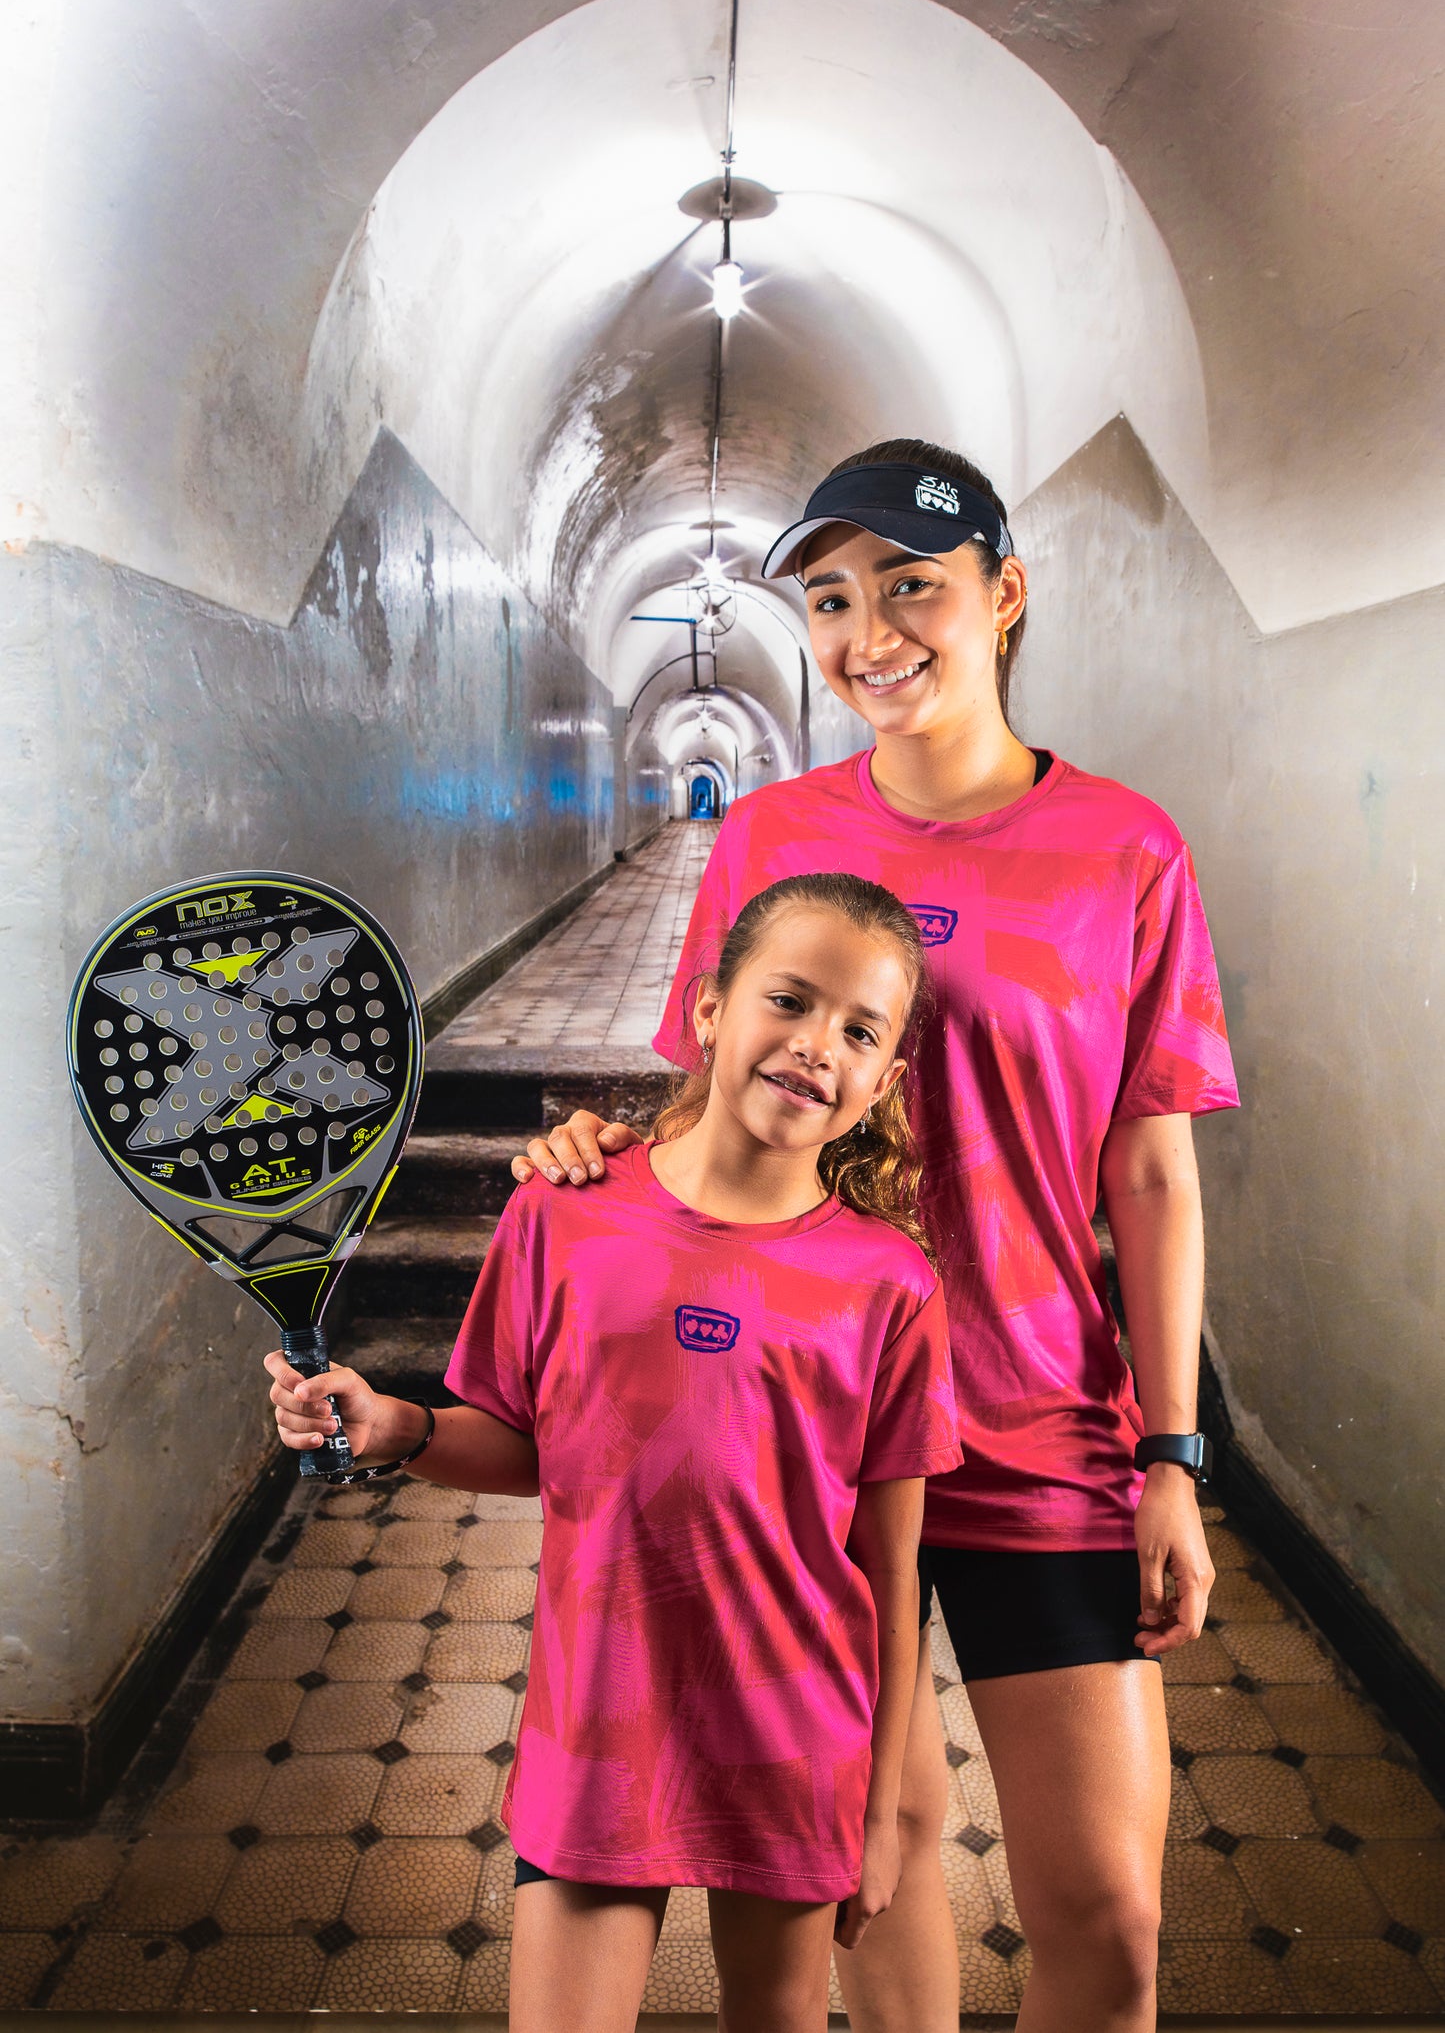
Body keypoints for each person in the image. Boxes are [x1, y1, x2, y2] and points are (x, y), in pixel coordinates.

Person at [514, 440, 1240, 2033]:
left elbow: (1154, 1170)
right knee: (882, 1869)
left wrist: (1175, 1453)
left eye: (908, 585)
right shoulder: (767, 835)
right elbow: (724, 1111)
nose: (869, 632)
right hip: (805, 1428)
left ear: (1004, 594)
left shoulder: (1126, 847)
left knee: (1111, 1920)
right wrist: (598, 1153)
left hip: (1043, 1417)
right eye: (832, 598)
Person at [267, 870, 962, 2033]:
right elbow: (524, 1441)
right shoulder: (562, 1213)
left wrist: (883, 1811)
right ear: (707, 1010)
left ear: (884, 1081)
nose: (811, 1046)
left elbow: (890, 1575)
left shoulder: (888, 1283)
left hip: (793, 1739)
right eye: (785, 1001)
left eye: (857, 1029)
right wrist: (396, 1427)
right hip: (599, 1720)